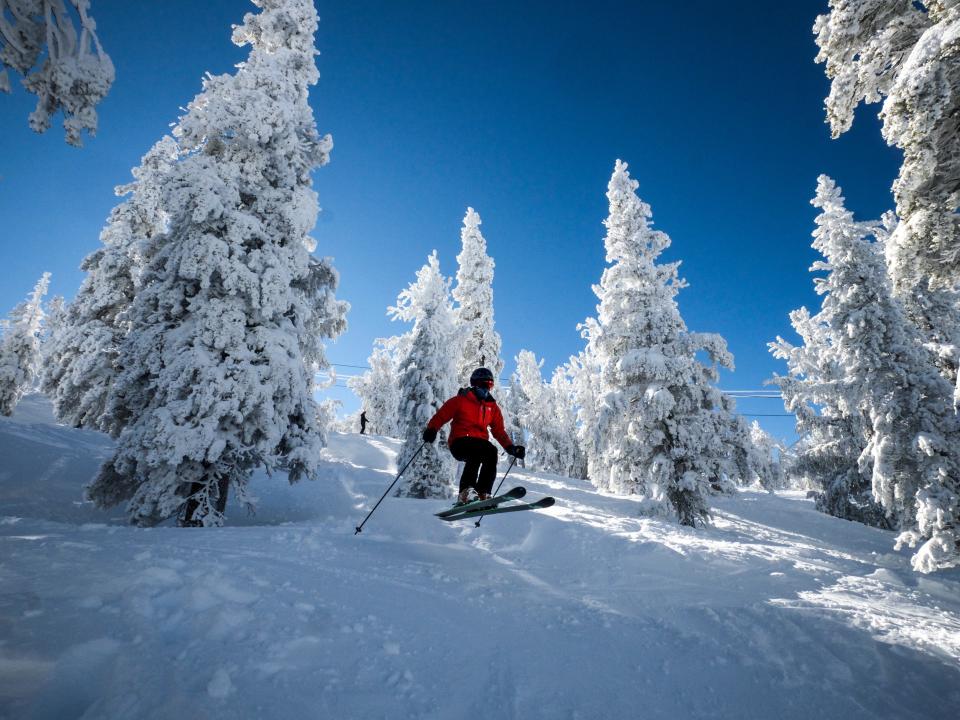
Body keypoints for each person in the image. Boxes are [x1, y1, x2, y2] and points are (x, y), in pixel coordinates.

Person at [422, 367, 525, 504]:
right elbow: (442, 415)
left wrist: (511, 448)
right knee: (477, 451)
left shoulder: (492, 407)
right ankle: (466, 492)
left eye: (489, 385)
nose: (486, 389)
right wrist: (432, 429)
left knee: (491, 451)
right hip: (459, 441)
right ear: (474, 384)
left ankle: (483, 492)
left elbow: (498, 431)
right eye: (483, 385)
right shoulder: (461, 400)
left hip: (480, 443)